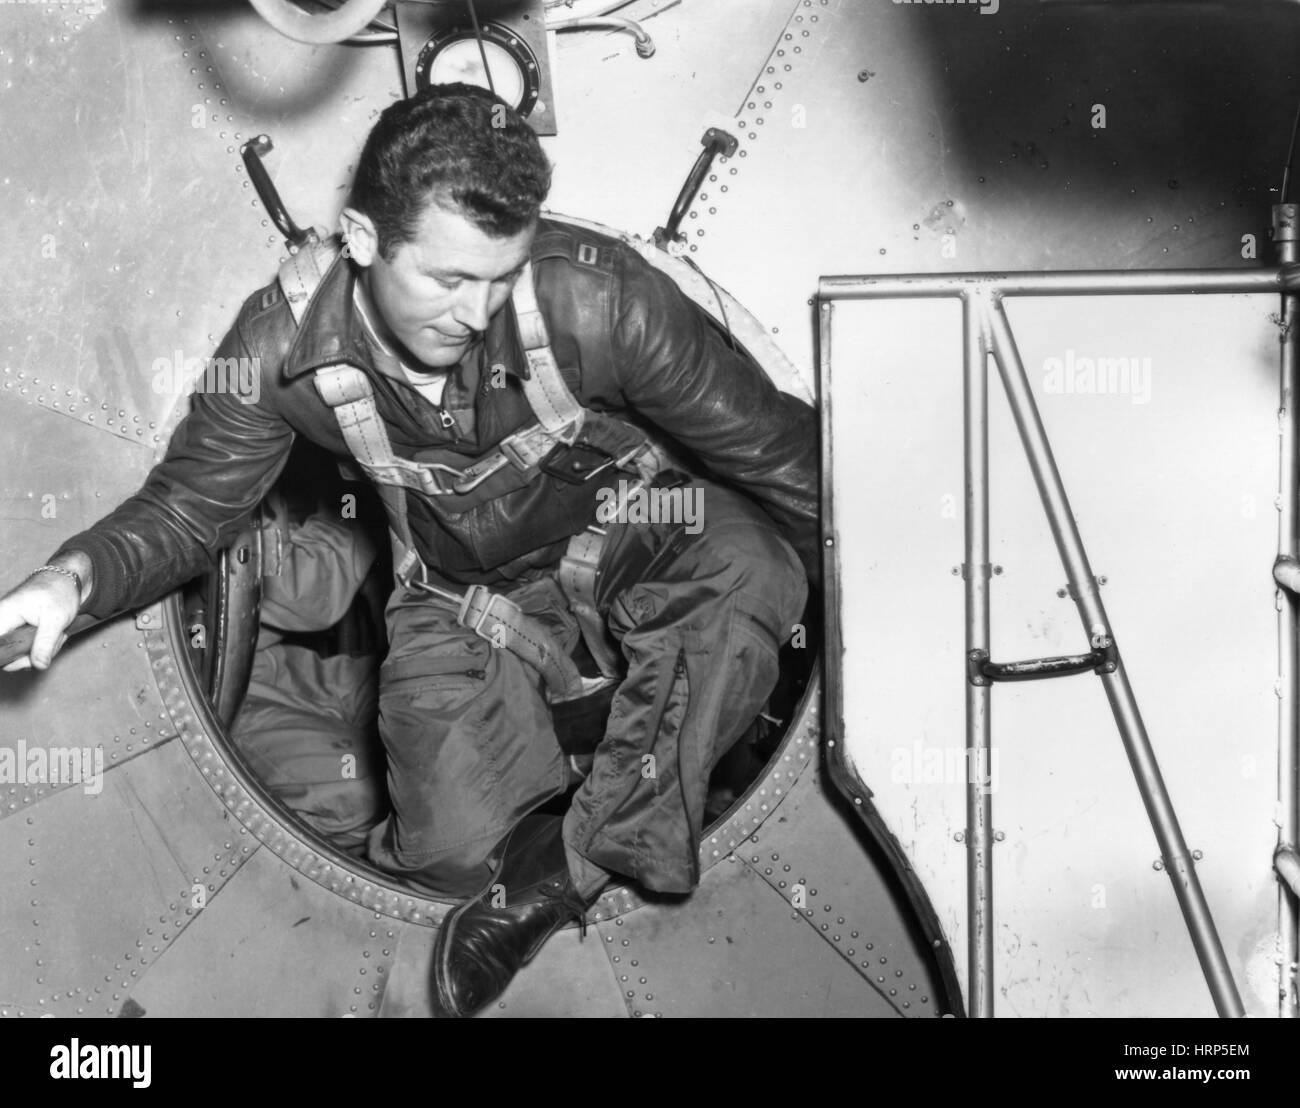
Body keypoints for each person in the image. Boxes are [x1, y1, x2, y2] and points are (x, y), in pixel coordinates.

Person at [0, 82, 819, 1017]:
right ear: (361, 240)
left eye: (502, 277)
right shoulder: (278, 350)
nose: (479, 313)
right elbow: (193, 509)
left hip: (634, 532)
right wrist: (72, 579)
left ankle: (570, 858)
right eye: (449, 280)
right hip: (457, 597)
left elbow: (787, 464)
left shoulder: (604, 301)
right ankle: (560, 826)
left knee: (752, 565)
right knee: (455, 863)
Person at [229, 482, 386, 855]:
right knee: (357, 793)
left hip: (257, 668)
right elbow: (301, 596)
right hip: (217, 702)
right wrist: (368, 496)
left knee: (411, 696)